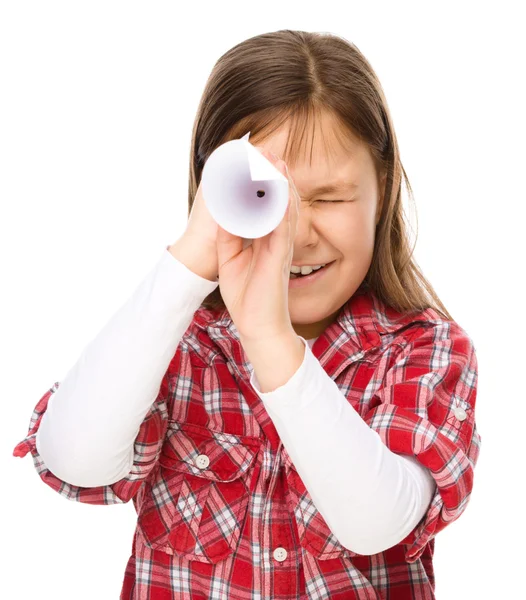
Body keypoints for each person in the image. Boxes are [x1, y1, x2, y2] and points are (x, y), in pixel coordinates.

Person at [12, 29, 481, 599]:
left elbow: (375, 522)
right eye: (268, 198)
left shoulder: (423, 350)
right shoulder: (175, 346)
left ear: (381, 190)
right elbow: (77, 459)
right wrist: (191, 261)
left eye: (330, 198)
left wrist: (267, 336)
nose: (298, 235)